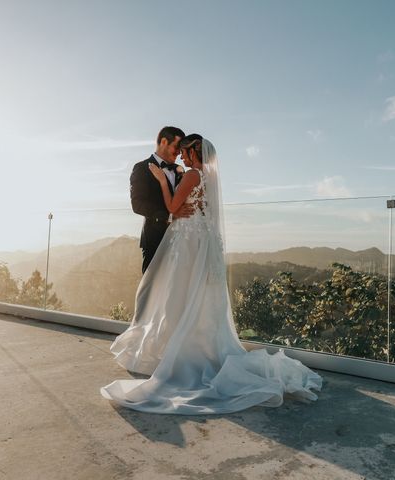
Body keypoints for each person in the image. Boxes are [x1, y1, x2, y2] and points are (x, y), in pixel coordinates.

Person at [101, 134, 322, 414]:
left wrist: (160, 181)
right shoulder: (206, 176)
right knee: (193, 292)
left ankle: (175, 347)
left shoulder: (192, 174)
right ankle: (190, 343)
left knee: (175, 291)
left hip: (187, 240)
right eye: (177, 150)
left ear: (194, 153)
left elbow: (171, 207)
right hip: (199, 239)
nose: (180, 156)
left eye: (184, 151)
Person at [130, 126, 190, 273]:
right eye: (176, 147)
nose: (178, 153)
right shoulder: (141, 168)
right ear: (163, 141)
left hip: (181, 239)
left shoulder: (180, 170)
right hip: (154, 240)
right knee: (150, 290)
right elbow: (137, 204)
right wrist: (170, 215)